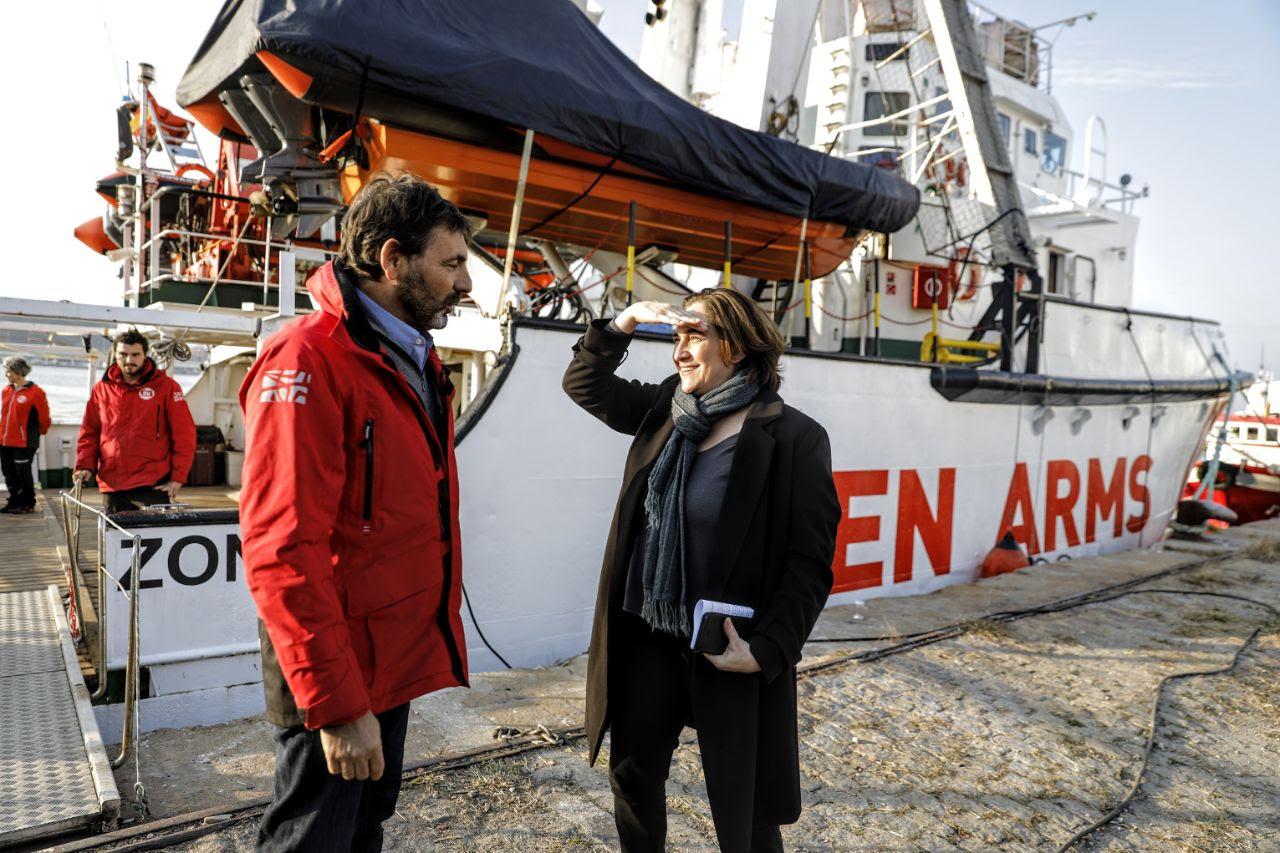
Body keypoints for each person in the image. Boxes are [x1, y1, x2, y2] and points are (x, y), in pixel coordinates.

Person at [239, 173, 474, 852]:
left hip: (386, 662)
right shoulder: (309, 357)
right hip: (337, 672)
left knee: (363, 829)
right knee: (311, 838)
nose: (466, 285)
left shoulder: (406, 358)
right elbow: (283, 546)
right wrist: (339, 706)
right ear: (392, 259)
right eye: (452, 263)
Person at [563, 291, 840, 852]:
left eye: (694, 337)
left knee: (745, 809)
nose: (679, 353)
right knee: (634, 782)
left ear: (736, 347)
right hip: (646, 639)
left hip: (726, 650)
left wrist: (767, 650)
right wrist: (626, 321)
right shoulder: (668, 409)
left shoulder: (793, 437)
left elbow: (808, 564)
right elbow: (584, 384)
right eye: (675, 339)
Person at [73, 330, 196, 514]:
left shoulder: (167, 387)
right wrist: (84, 466)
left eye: (135, 355)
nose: (129, 360)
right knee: (115, 539)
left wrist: (178, 478)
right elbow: (90, 432)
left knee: (155, 539)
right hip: (113, 483)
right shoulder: (101, 389)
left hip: (153, 482)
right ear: (115, 354)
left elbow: (184, 434)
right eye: (123, 354)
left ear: (145, 355)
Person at [1, 356, 51, 514]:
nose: (6, 375)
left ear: (17, 372)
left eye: (8, 371)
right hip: (5, 440)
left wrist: (39, 433)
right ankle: (14, 501)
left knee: (22, 473)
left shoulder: (36, 393)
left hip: (25, 442)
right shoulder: (6, 390)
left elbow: (44, 417)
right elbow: (4, 415)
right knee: (9, 473)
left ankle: (27, 503)